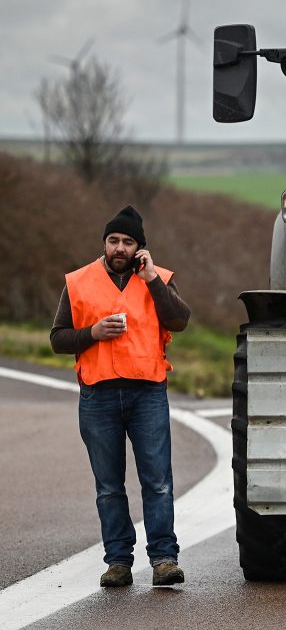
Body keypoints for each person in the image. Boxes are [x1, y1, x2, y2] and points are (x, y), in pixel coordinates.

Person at [50, 205, 190, 587]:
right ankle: (118, 562)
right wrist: (91, 333)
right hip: (99, 397)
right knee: (109, 486)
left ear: (139, 248)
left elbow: (180, 320)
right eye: (114, 240)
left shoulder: (157, 278)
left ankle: (164, 560)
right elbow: (57, 337)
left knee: (158, 481)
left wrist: (152, 281)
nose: (120, 248)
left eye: (128, 242)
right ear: (104, 244)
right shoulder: (78, 282)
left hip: (148, 394)